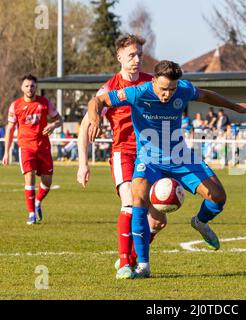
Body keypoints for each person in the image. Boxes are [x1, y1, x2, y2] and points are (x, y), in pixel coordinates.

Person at [88, 60, 246, 279]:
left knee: (218, 197)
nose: (168, 94)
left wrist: (234, 106)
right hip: (149, 161)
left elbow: (205, 95)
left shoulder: (183, 89)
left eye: (172, 90)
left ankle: (200, 222)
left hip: (180, 157)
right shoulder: (137, 92)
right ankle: (143, 266)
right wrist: (94, 118)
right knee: (137, 200)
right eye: (164, 89)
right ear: (154, 80)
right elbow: (98, 100)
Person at [77, 34, 167, 280]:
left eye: (139, 54)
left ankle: (132, 256)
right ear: (119, 57)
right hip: (124, 154)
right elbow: (85, 125)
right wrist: (83, 164)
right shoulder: (110, 88)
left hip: (152, 157)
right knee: (129, 203)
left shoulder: (153, 83)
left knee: (158, 220)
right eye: (131, 55)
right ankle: (126, 264)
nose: (137, 59)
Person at [2, 74, 63, 224]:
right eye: (27, 86)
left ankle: (37, 202)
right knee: (29, 179)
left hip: (43, 147)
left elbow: (59, 119)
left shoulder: (44, 103)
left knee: (47, 182)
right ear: (22, 88)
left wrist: (53, 125)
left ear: (36, 87)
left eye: (32, 86)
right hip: (26, 148)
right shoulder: (15, 106)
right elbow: (10, 130)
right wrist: (6, 152)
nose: (30, 88)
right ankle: (31, 214)